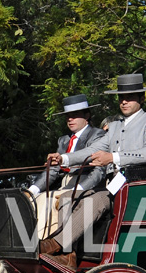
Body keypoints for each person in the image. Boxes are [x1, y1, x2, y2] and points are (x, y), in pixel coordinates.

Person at [41, 73, 146, 265]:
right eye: (121, 97)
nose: (124, 101)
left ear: (141, 98)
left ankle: (55, 243)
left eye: (130, 97)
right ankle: (69, 253)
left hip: (139, 188)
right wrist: (63, 158)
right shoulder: (115, 126)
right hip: (116, 188)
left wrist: (113, 157)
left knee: (98, 199)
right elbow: (93, 150)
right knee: (67, 196)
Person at [28, 94, 106, 264]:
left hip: (84, 184)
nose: (70, 119)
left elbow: (98, 171)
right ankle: (38, 243)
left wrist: (77, 189)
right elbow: (53, 170)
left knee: (59, 199)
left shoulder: (97, 135)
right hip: (63, 185)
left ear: (87, 116)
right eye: (67, 116)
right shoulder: (63, 140)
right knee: (39, 199)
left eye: (75, 115)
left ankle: (62, 250)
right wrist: (32, 191)